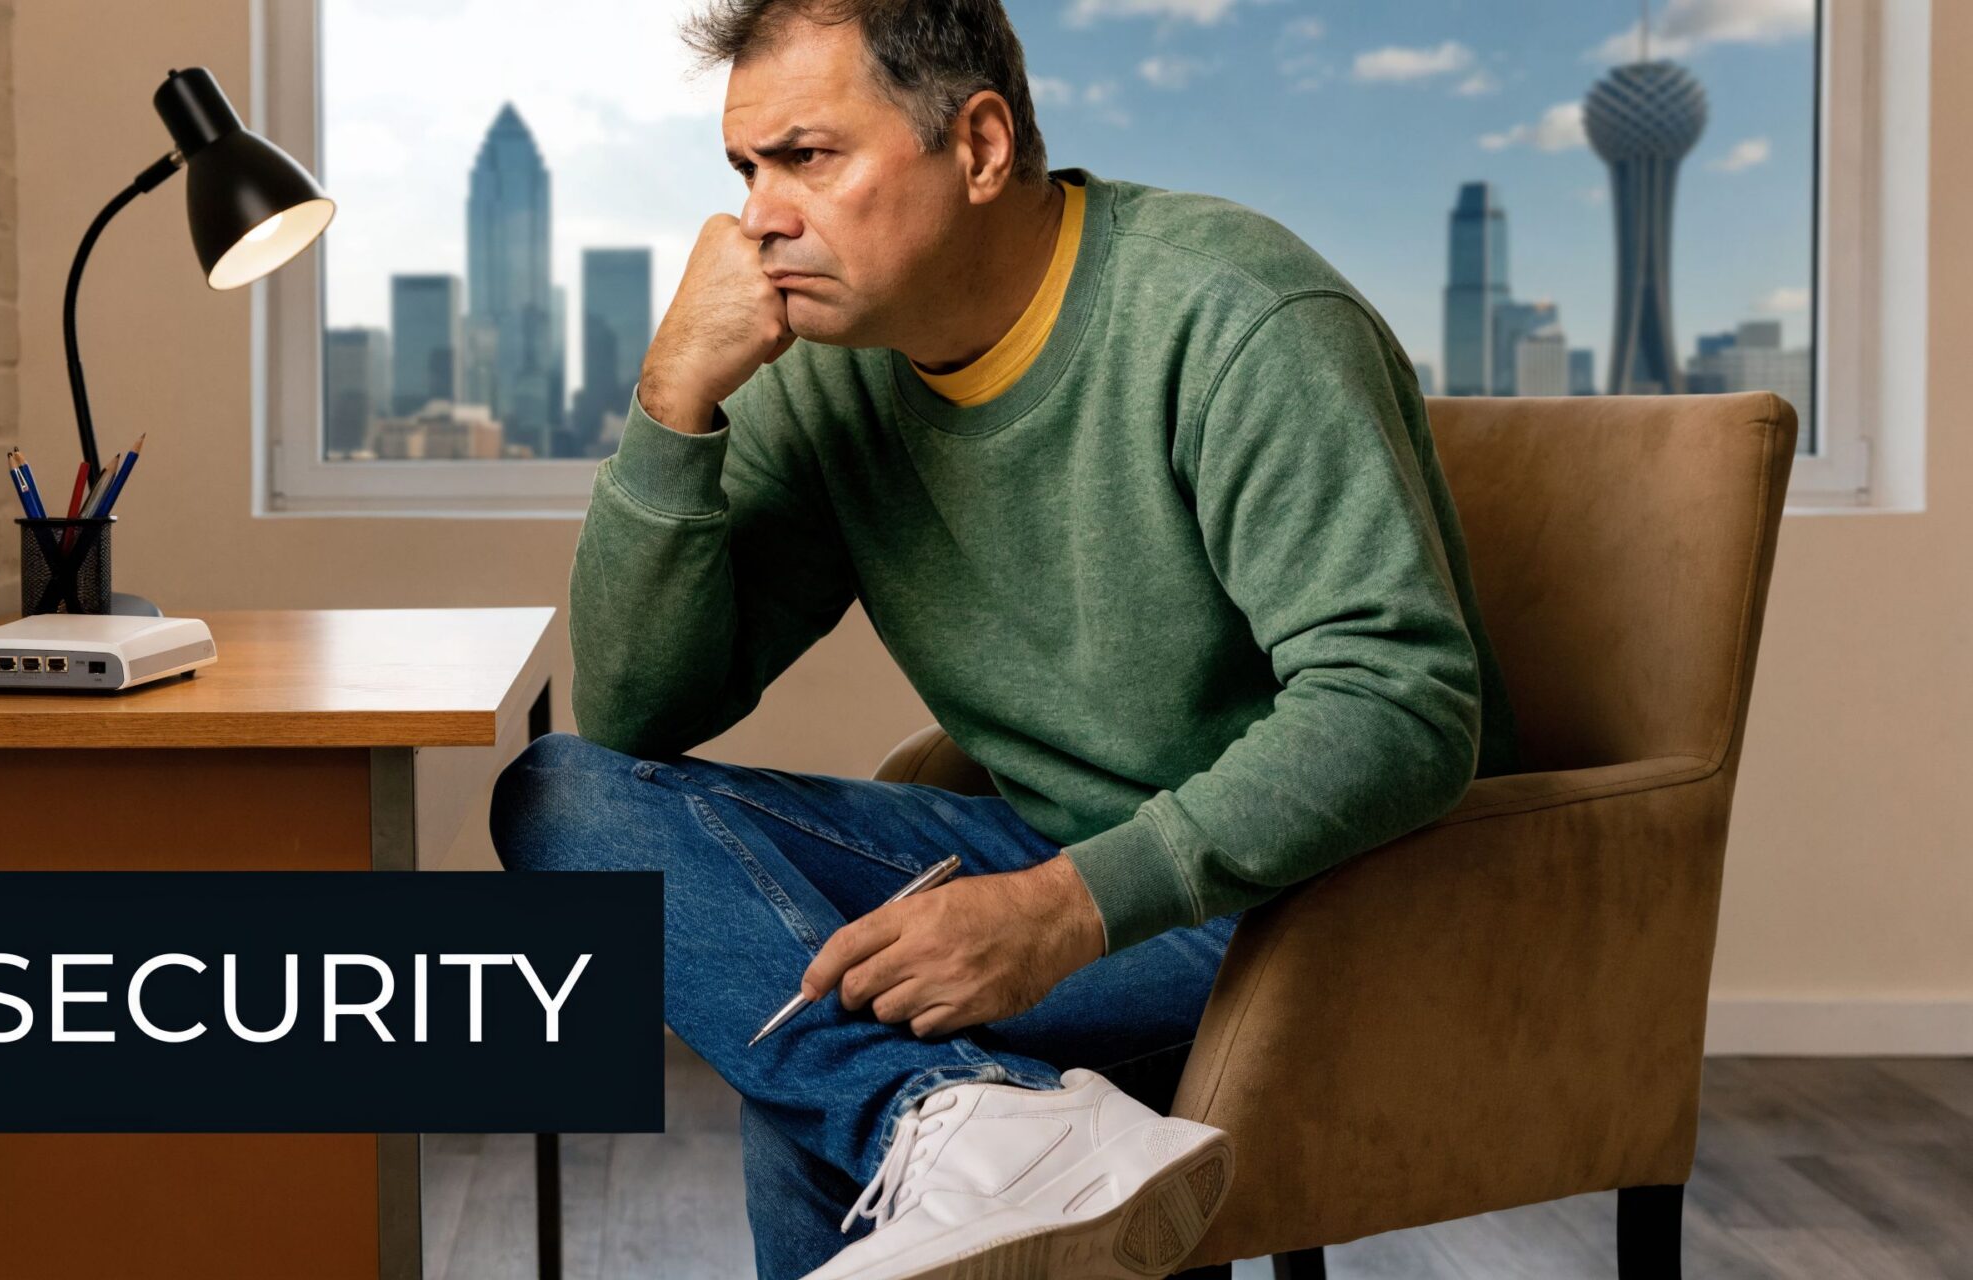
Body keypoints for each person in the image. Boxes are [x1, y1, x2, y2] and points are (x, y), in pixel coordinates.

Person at [488, 1, 1521, 1276]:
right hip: (1049, 842)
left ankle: (937, 1117)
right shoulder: (831, 363)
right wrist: (673, 405)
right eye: (745, 169)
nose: (756, 215)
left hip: (1308, 901)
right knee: (563, 797)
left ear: (978, 147)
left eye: (807, 157)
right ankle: (954, 1120)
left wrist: (1064, 907)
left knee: (813, 1047)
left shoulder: (1235, 313)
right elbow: (642, 713)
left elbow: (1399, 707)